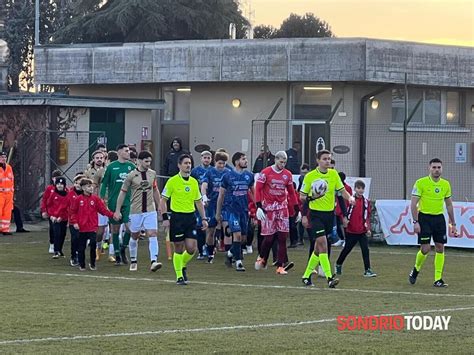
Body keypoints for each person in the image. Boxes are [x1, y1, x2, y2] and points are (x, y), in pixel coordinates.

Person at [300, 149, 355, 288]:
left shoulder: (333, 174)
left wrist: (350, 197)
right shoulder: (310, 176)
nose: (327, 161)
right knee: (323, 244)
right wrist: (311, 201)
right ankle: (330, 278)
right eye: (324, 159)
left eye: (329, 159)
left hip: (329, 215)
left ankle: (306, 276)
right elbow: (301, 197)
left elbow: (342, 191)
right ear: (318, 160)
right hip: (315, 215)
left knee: (318, 248)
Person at [160, 154, 208, 285]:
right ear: (179, 165)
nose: (188, 165)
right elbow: (163, 200)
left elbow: (198, 202)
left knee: (192, 248)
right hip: (177, 218)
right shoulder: (172, 181)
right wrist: (165, 218)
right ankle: (179, 276)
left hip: (190, 218)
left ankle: (182, 264)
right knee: (179, 247)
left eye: (190, 163)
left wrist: (203, 218)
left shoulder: (193, 182)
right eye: (186, 163)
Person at [408, 158, 456, 288]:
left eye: (439, 167)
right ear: (429, 168)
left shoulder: (445, 184)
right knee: (425, 249)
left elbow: (449, 205)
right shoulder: (421, 183)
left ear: (442, 168)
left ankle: (438, 279)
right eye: (434, 167)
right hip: (424, 218)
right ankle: (416, 269)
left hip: (439, 219)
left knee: (440, 247)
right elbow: (413, 204)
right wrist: (415, 221)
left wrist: (453, 223)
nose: (436, 170)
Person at [115, 151, 163, 272]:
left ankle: (154, 261)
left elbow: (155, 190)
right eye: (146, 161)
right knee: (134, 235)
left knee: (153, 234)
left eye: (149, 161)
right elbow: (122, 192)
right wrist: (117, 210)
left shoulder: (153, 174)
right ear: (139, 161)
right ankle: (134, 260)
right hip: (135, 210)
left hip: (150, 210)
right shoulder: (131, 175)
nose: (148, 164)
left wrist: (160, 205)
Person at [254, 151, 297, 275]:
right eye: (281, 162)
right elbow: (258, 189)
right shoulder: (266, 172)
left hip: (282, 209)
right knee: (269, 238)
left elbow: (291, 192)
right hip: (268, 209)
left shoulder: (287, 175)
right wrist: (258, 206)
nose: (282, 164)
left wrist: (296, 209)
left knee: (283, 237)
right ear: (275, 160)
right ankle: (262, 257)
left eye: (284, 162)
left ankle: (280, 266)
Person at [216, 152, 255, 272]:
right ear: (237, 161)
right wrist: (218, 213)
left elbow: (253, 193)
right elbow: (221, 195)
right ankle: (239, 262)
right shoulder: (228, 176)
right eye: (243, 159)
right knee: (237, 235)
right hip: (231, 210)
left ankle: (229, 255)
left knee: (243, 238)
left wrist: (258, 207)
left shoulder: (249, 175)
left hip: (244, 210)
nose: (246, 161)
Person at [70, 179, 118, 271]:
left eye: (91, 186)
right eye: (88, 186)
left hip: (92, 227)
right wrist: (75, 222)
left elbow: (103, 210)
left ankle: (92, 263)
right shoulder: (78, 199)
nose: (91, 188)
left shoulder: (95, 199)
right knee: (81, 247)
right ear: (83, 188)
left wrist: (112, 215)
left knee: (93, 244)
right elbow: (73, 212)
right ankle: (82, 264)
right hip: (81, 227)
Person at [99, 144, 135, 265]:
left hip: (128, 202)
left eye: (129, 151)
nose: (128, 153)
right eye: (126, 151)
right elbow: (104, 184)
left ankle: (124, 247)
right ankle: (118, 255)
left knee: (131, 228)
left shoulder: (132, 166)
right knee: (115, 229)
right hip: (114, 202)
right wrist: (102, 197)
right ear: (119, 152)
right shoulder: (111, 167)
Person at [335, 180, 376, 277]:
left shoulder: (366, 202)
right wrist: (344, 219)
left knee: (365, 249)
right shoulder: (350, 200)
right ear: (355, 189)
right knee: (347, 249)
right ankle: (338, 264)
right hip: (351, 230)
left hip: (362, 230)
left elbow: (367, 216)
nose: (360, 190)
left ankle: (367, 270)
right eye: (358, 188)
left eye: (362, 188)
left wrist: (368, 228)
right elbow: (342, 210)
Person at [200, 151, 230, 263]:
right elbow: (204, 185)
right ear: (215, 162)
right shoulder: (209, 172)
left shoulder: (228, 172)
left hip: (226, 205)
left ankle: (229, 253)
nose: (221, 166)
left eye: (223, 163)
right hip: (212, 204)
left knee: (227, 229)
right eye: (219, 163)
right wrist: (204, 196)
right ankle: (210, 253)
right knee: (210, 230)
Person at [191, 151, 212, 259]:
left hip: (210, 201)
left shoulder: (213, 170)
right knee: (200, 225)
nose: (206, 159)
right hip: (198, 201)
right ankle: (200, 250)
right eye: (205, 157)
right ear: (201, 158)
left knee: (211, 226)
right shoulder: (195, 171)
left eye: (208, 158)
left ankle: (210, 248)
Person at [46, 177, 69, 258]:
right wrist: (51, 215)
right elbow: (49, 205)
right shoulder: (53, 194)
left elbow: (67, 208)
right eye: (58, 184)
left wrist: (62, 217)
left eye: (61, 184)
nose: (59, 186)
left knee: (63, 234)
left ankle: (60, 250)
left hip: (63, 218)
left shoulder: (67, 195)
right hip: (55, 218)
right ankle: (56, 251)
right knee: (57, 233)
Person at [40, 169, 63, 252]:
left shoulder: (64, 189)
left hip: (61, 213)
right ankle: (52, 243)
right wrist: (44, 211)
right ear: (52, 178)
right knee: (53, 228)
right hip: (52, 213)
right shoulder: (49, 189)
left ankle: (59, 246)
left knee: (61, 230)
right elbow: (44, 200)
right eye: (55, 178)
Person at [67, 174, 84, 266]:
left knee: (83, 239)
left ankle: (80, 254)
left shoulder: (86, 194)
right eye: (76, 183)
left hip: (84, 221)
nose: (77, 185)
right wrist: (72, 221)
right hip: (74, 221)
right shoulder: (70, 194)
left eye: (80, 183)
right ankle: (74, 256)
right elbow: (68, 208)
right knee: (75, 238)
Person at [0, 150, 14, 235]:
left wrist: (12, 192)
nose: (3, 159)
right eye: (2, 157)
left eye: (5, 157)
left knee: (7, 212)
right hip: (0, 193)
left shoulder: (9, 167)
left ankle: (5, 229)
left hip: (9, 194)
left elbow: (12, 181)